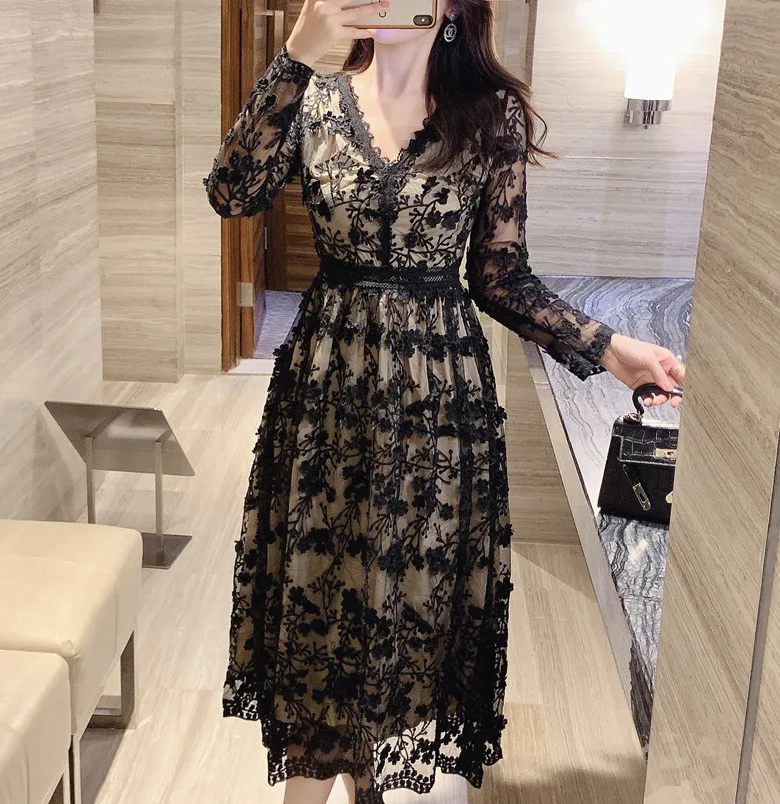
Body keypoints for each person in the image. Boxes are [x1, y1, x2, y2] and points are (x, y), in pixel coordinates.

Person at [204, 1, 686, 802]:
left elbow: (499, 276)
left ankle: (366, 780)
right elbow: (231, 192)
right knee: (321, 594)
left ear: (454, 7)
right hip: (326, 395)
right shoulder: (314, 92)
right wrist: (294, 58)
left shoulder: (489, 115)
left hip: (438, 405)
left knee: (403, 607)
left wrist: (610, 348)